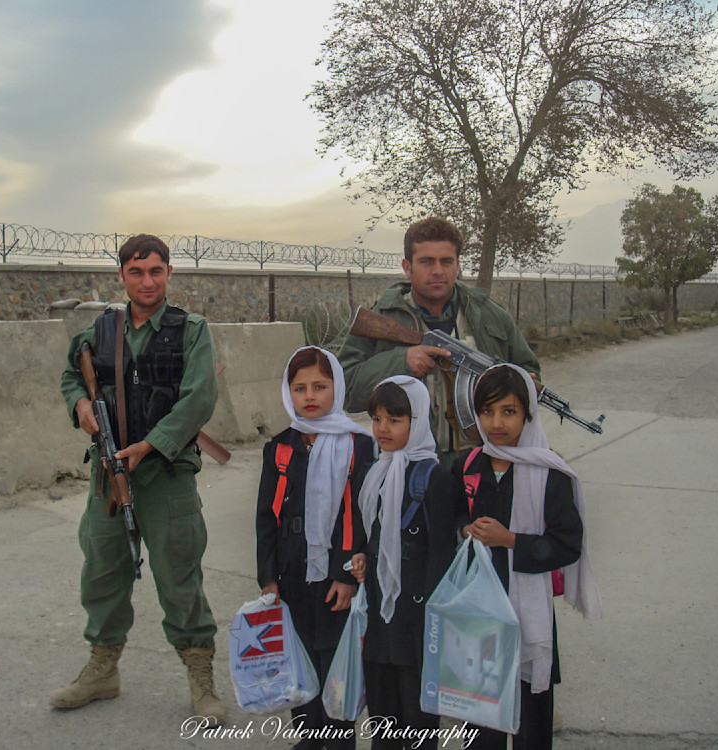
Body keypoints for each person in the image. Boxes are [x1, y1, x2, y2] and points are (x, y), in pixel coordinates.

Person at [52, 233, 226, 724]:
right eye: (136, 272)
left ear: (169, 273)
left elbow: (199, 398)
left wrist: (149, 446)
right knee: (103, 573)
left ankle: (200, 679)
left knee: (179, 577)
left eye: (155, 271)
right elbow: (71, 375)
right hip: (109, 476)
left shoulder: (190, 330)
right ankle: (103, 669)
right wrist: (81, 404)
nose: (146, 281)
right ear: (122, 276)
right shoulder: (100, 332)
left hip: (165, 475)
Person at [450, 364, 602, 749]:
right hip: (480, 613)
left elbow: (567, 542)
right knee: (480, 725)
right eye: (487, 411)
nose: (496, 422)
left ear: (528, 414)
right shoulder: (468, 466)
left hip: (527, 615)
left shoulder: (548, 472)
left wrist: (512, 539)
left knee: (530, 724)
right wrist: (464, 530)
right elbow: (451, 517)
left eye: (509, 411)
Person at [338, 217, 540, 465]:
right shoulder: (381, 318)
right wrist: (401, 362)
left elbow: (528, 371)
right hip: (409, 466)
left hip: (483, 461)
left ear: (457, 266)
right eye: (426, 262)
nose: (437, 271)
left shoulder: (490, 314)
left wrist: (524, 385)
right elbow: (345, 389)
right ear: (407, 266)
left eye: (446, 261)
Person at [255, 346, 375, 750]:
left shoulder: (358, 445)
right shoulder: (280, 447)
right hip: (291, 575)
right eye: (299, 387)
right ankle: (307, 740)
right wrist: (269, 578)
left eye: (320, 386)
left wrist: (346, 576)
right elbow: (265, 518)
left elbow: (358, 515)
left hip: (333, 578)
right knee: (299, 662)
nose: (310, 396)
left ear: (336, 388)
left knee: (334, 666)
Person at [349, 376, 456, 750]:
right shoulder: (375, 472)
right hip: (380, 615)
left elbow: (442, 552)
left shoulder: (434, 477)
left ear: (418, 420)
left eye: (394, 419)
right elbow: (370, 534)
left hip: (416, 621)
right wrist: (362, 557)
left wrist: (431, 615)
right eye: (376, 419)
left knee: (417, 717)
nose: (382, 429)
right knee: (383, 713)